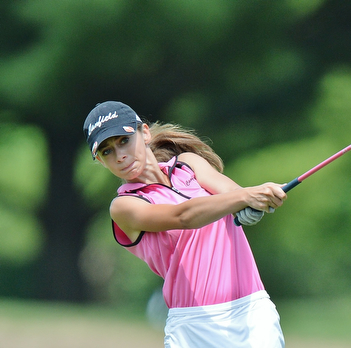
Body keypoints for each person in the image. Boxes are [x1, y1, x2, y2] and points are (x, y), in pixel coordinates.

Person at [83, 101, 287, 347]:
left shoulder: (188, 164)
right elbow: (183, 217)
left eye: (124, 141)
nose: (120, 156)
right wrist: (245, 197)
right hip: (195, 328)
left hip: (253, 313)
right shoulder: (125, 206)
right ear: (101, 160)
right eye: (107, 152)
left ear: (144, 133)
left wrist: (252, 204)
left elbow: (232, 193)